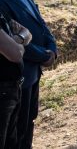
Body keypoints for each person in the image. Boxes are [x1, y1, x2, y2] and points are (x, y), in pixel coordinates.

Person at [0, 0, 57, 149]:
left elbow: (40, 24)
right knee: (16, 130)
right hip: (16, 78)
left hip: (33, 73)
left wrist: (52, 48)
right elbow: (14, 40)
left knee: (30, 120)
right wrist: (43, 55)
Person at [0, 11, 31, 148]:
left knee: (11, 141)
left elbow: (27, 33)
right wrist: (19, 41)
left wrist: (17, 39)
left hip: (11, 89)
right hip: (3, 91)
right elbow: (16, 54)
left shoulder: (2, 13)